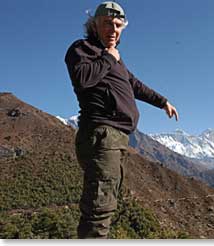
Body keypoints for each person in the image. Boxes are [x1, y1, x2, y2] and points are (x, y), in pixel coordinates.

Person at [64, 1, 179, 238]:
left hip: (115, 138)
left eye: (118, 25)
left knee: (107, 201)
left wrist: (162, 101)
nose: (113, 30)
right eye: (107, 23)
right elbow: (83, 79)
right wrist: (108, 58)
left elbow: (134, 84)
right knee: (99, 209)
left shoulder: (114, 59)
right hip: (101, 133)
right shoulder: (82, 49)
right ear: (93, 24)